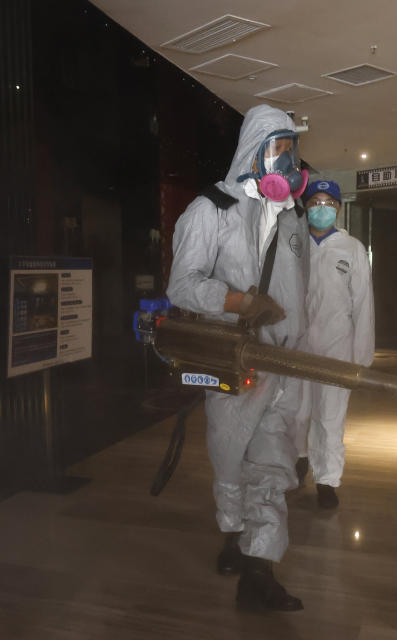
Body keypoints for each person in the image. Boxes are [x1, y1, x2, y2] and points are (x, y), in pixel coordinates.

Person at [167, 104, 310, 611]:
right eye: (278, 149)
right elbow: (181, 285)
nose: (287, 163)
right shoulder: (211, 211)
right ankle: (233, 533)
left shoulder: (292, 218)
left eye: (292, 151)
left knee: (272, 464)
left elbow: (301, 292)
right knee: (230, 455)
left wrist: (300, 355)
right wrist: (240, 303)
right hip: (231, 359)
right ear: (253, 148)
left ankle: (259, 573)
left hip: (284, 364)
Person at [294, 179, 374, 509]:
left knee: (330, 415)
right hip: (295, 343)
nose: (321, 208)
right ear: (306, 206)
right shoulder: (293, 243)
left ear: (339, 208)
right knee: (295, 410)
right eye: (315, 202)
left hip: (336, 343)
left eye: (329, 202)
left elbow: (364, 303)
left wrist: (361, 355)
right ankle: (297, 461)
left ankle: (327, 479)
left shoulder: (351, 248)